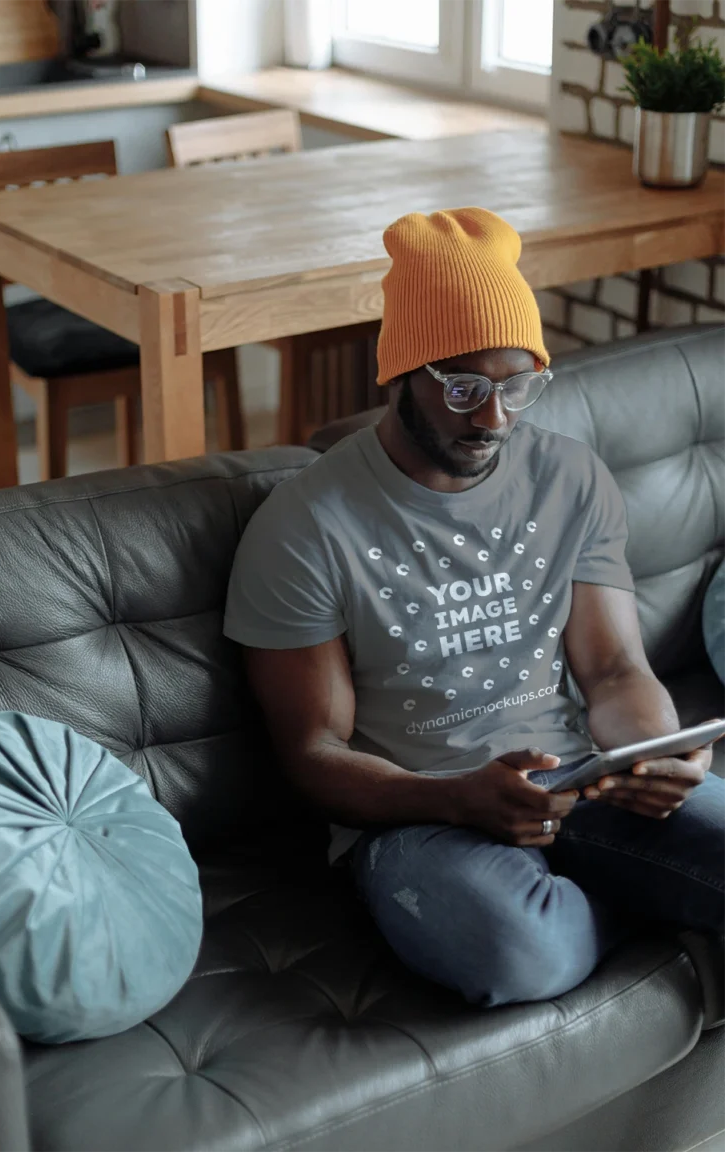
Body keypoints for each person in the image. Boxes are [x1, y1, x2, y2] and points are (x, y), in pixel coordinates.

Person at [224, 206, 723, 1007]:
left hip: (579, 783)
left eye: (517, 385)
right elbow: (313, 751)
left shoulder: (570, 477)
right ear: (398, 376)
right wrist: (454, 796)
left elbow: (614, 668)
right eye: (463, 388)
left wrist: (655, 754)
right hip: (417, 818)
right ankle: (661, 904)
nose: (493, 418)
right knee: (520, 953)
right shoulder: (304, 527)